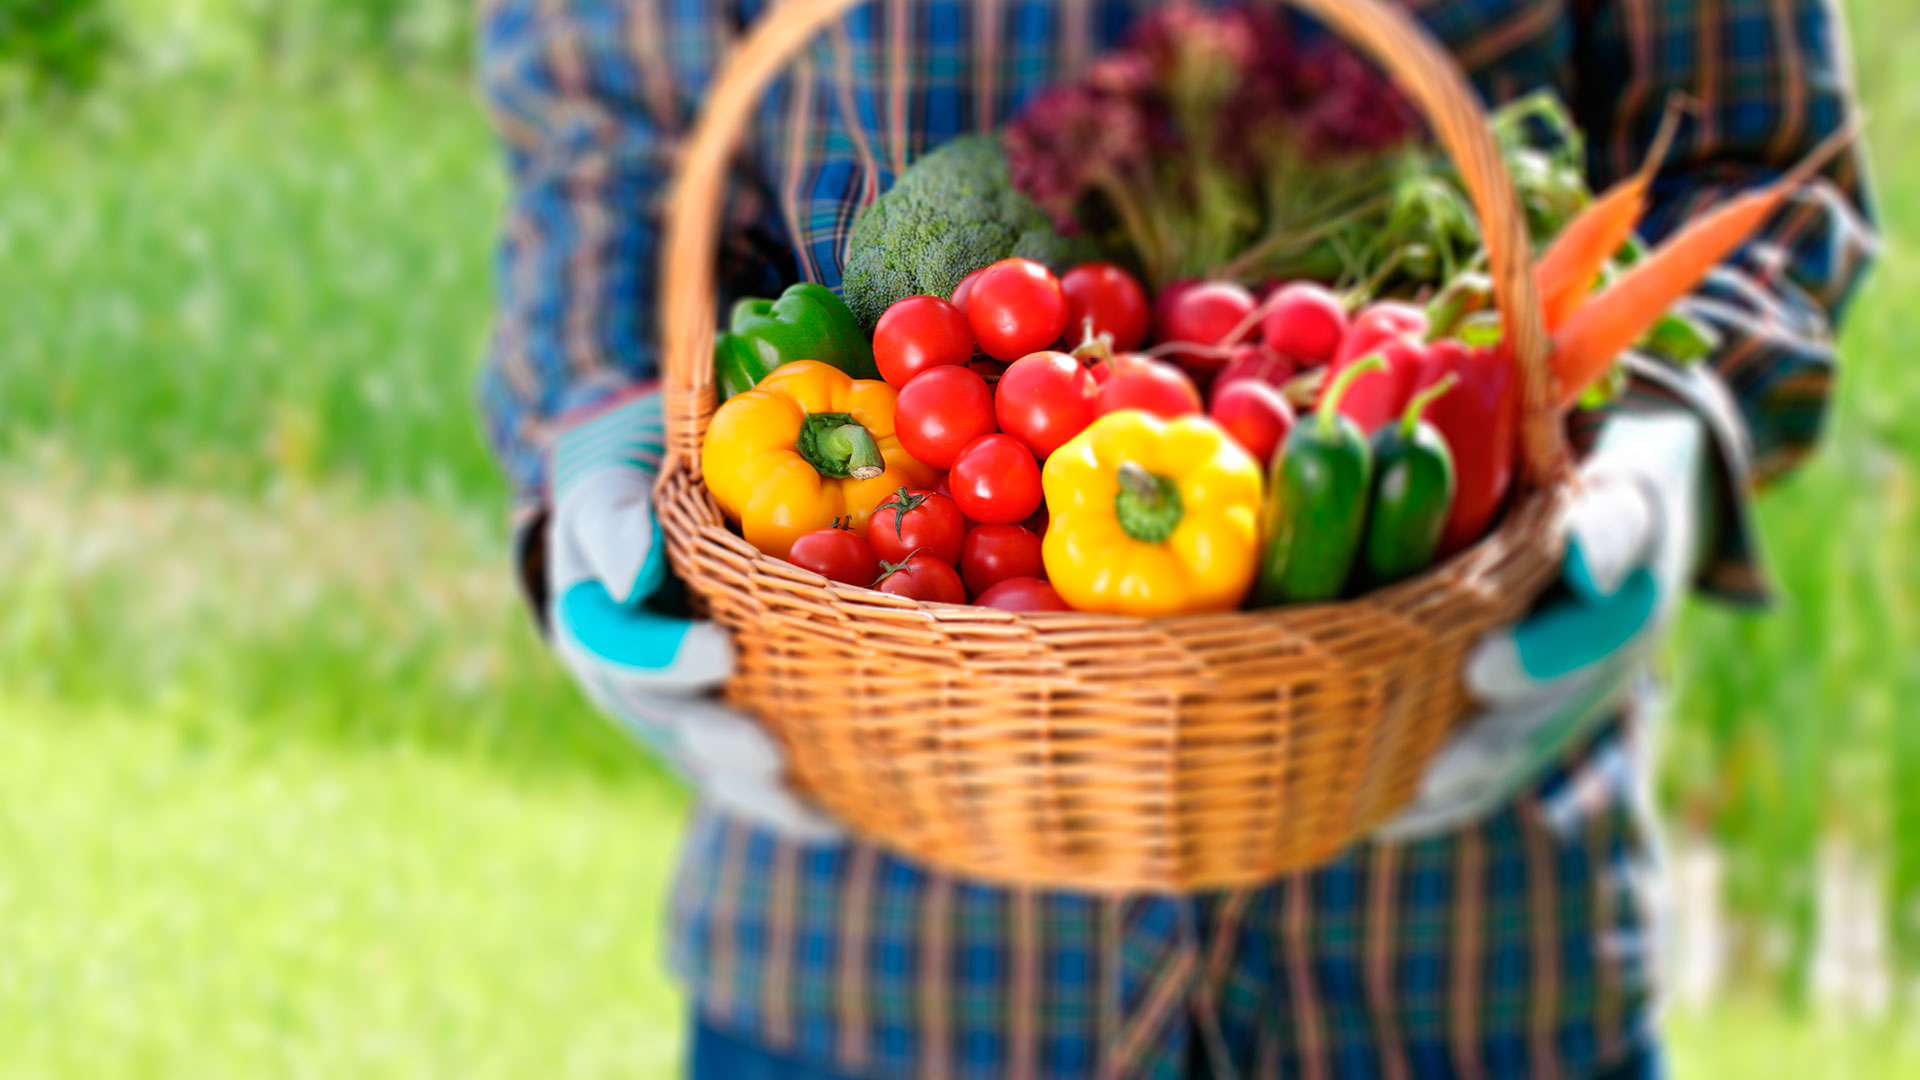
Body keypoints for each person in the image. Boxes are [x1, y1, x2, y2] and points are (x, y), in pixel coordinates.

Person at [478, 0, 1876, 1076]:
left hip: (1464, 944)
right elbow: (612, 144)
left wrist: (1675, 424)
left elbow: (1755, 162)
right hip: (876, 948)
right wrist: (594, 436)